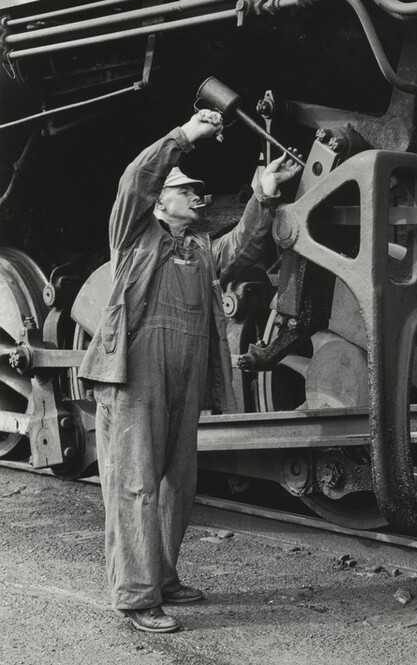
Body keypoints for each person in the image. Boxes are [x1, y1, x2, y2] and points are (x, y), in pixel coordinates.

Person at [78, 109, 302, 633]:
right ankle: (137, 597)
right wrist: (182, 138)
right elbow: (134, 182)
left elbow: (243, 246)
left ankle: (162, 576)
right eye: (186, 191)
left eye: (199, 191)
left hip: (182, 379)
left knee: (178, 484)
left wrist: (264, 196)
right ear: (160, 203)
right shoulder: (133, 238)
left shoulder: (199, 249)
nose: (199, 196)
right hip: (134, 379)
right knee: (135, 483)